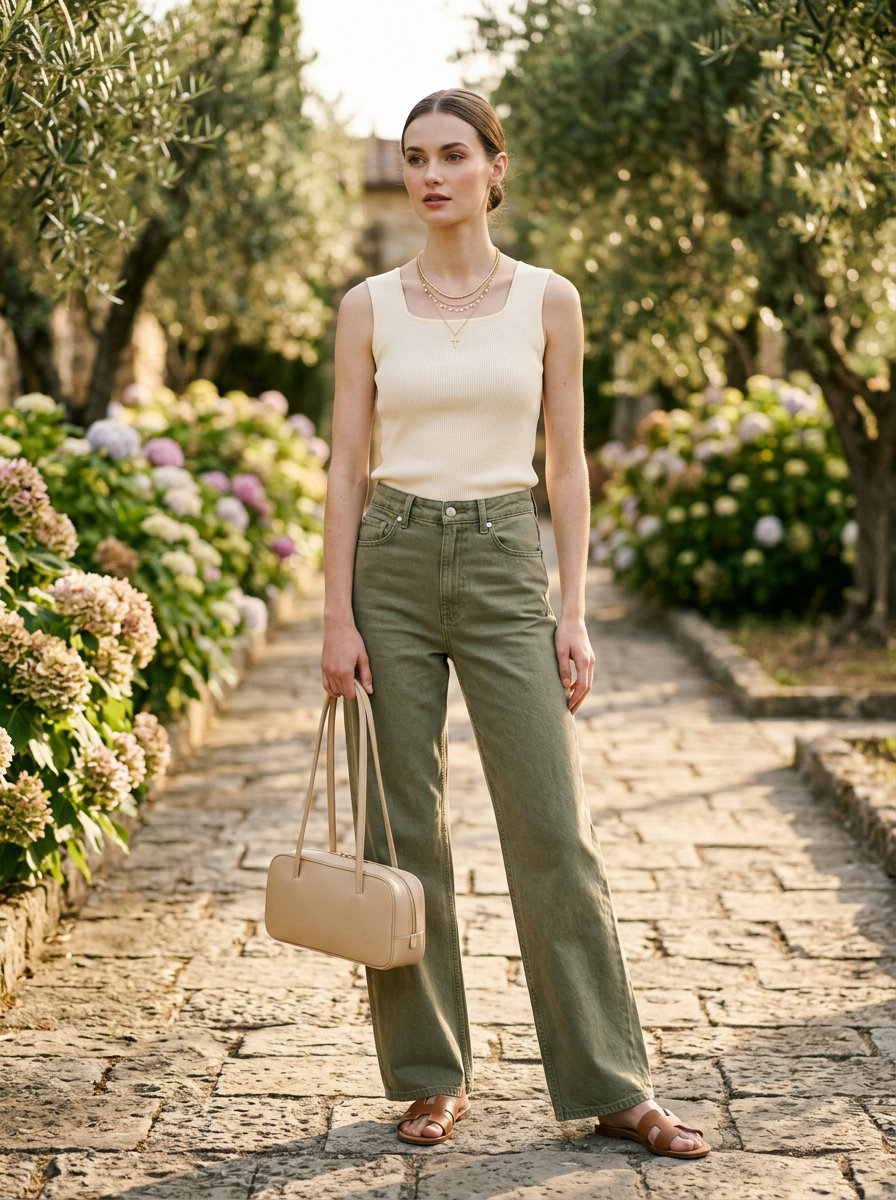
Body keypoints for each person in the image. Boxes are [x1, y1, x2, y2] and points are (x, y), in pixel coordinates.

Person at [320, 88, 710, 1160]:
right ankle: (428, 1076)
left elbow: (565, 466)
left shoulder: (547, 298)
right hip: (391, 562)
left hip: (502, 558)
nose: (430, 175)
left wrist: (572, 607)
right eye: (415, 158)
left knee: (553, 827)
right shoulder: (368, 306)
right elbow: (345, 466)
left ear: (495, 168)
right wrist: (335, 617)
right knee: (402, 833)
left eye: (453, 155)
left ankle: (612, 1083)